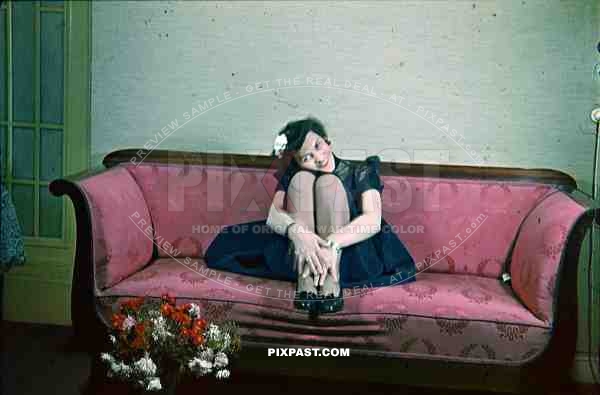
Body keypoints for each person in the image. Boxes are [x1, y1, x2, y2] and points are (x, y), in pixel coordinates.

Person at [205, 117, 416, 315]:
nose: (317, 158)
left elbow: (372, 220)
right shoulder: (297, 174)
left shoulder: (360, 171)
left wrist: (331, 245)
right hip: (300, 255)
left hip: (349, 257)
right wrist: (299, 235)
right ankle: (305, 278)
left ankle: (331, 280)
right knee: (302, 180)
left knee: (328, 183)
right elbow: (273, 215)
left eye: (317, 146)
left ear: (328, 141)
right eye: (307, 157)